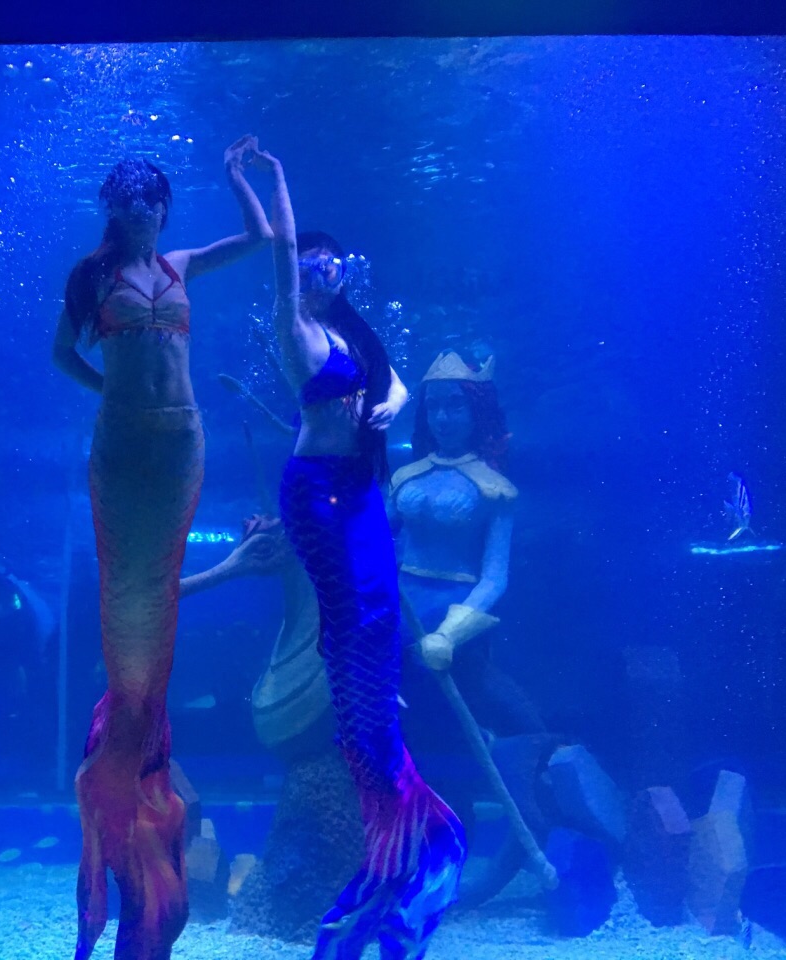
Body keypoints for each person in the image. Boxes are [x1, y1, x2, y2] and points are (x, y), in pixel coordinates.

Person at [52, 138, 271, 960]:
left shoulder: (180, 265)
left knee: (160, 581)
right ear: (112, 210)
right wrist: (108, 389)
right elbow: (62, 352)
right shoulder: (92, 275)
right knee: (126, 589)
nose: (139, 212)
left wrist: (239, 177)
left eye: (150, 201)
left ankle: (140, 755)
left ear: (163, 210)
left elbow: (259, 240)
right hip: (122, 441)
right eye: (126, 202)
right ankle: (118, 753)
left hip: (181, 441)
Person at [250, 144, 466, 960]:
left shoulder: (356, 332)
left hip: (363, 491)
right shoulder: (295, 324)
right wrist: (270, 177)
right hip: (316, 493)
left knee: (380, 614)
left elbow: (397, 384)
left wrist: (387, 411)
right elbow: (280, 249)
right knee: (347, 618)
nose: (321, 273)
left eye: (331, 265)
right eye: (310, 265)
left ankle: (386, 748)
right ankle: (378, 764)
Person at [390, 350, 544, 748]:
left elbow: (494, 578)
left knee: (446, 691)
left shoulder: (495, 489)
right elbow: (380, 542)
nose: (442, 418)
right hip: (396, 599)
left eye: (455, 406)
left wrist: (449, 634)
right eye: (433, 407)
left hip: (454, 607)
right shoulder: (406, 477)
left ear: (477, 410)